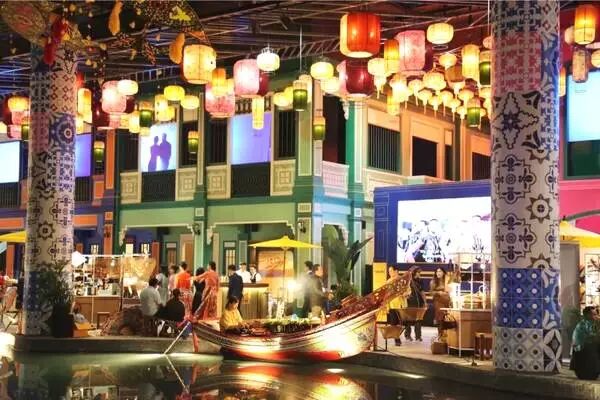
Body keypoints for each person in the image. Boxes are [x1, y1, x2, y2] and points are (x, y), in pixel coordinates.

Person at [571, 306, 600, 380]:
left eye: (596, 314)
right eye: (594, 314)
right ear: (587, 315)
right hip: (582, 349)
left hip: (589, 346)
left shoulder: (593, 323)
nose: (596, 316)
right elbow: (589, 338)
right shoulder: (582, 325)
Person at [386, 266, 407, 346]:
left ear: (396, 271)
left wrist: (406, 294)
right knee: (393, 323)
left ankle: (399, 335)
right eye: (389, 271)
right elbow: (386, 295)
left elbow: (408, 290)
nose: (389, 273)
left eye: (391, 271)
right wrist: (386, 306)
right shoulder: (388, 282)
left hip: (401, 305)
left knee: (401, 323)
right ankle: (397, 339)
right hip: (392, 305)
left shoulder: (402, 280)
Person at [404, 267, 426, 342]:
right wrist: (406, 295)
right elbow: (404, 291)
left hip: (419, 302)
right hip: (410, 302)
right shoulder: (409, 280)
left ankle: (418, 336)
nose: (419, 274)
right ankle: (407, 335)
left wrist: (425, 302)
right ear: (414, 272)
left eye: (420, 272)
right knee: (409, 320)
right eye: (418, 272)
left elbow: (422, 292)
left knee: (419, 319)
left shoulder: (420, 281)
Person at [431, 267, 451, 339]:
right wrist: (438, 292)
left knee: (446, 317)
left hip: (446, 300)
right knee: (440, 318)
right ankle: (440, 334)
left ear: (443, 272)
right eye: (437, 271)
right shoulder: (433, 281)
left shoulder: (447, 280)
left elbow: (450, 290)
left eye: (440, 271)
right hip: (438, 301)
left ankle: (446, 335)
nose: (438, 273)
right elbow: (431, 292)